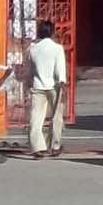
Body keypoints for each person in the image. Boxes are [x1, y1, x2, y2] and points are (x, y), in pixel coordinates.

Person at [26, 21, 69, 158]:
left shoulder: (32, 49)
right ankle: (55, 145)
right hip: (54, 86)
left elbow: (30, 70)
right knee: (56, 117)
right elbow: (60, 69)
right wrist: (63, 83)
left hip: (37, 85)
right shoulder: (57, 48)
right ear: (52, 32)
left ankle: (37, 147)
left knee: (36, 117)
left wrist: (28, 83)